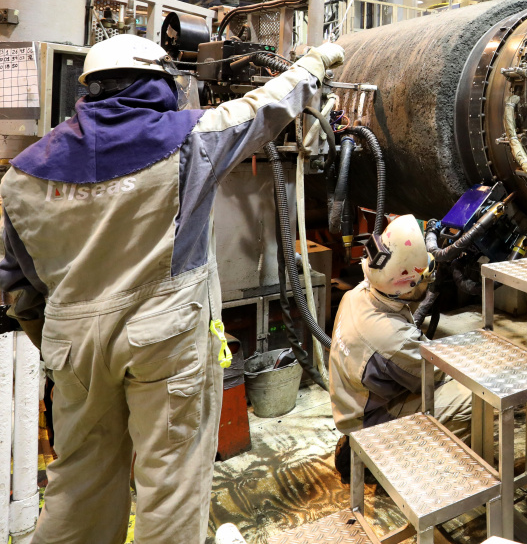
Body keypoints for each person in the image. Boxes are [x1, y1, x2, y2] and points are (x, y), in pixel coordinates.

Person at [0, 33, 344, 544]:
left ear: (90, 86)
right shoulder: (190, 140)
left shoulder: (22, 175)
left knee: (78, 483)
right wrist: (313, 65)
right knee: (171, 483)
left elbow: (18, 285)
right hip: (166, 338)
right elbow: (263, 109)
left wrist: (57, 343)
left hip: (73, 347)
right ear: (158, 82)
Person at [328, 214, 472, 482]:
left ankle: (362, 447)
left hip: (354, 407)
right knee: (471, 398)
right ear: (406, 285)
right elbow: (435, 374)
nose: (429, 280)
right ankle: (387, 463)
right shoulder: (393, 339)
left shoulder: (356, 295)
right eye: (425, 278)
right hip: (369, 423)